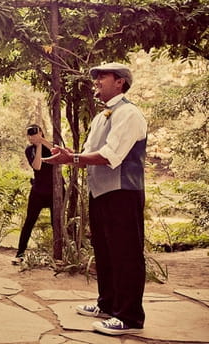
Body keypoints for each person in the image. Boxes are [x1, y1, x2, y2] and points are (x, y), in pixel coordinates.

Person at [43, 62, 147, 336]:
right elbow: (88, 156)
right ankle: (108, 304)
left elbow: (109, 156)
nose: (97, 81)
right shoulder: (102, 117)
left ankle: (130, 317)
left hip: (124, 193)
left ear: (120, 82)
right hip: (101, 193)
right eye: (96, 77)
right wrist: (68, 155)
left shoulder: (129, 114)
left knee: (126, 254)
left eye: (103, 77)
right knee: (105, 250)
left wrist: (73, 158)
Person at [13, 124, 58, 265]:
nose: (32, 137)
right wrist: (38, 146)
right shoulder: (29, 150)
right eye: (30, 135)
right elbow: (37, 166)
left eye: (35, 134)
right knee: (29, 221)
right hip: (38, 190)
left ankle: (58, 255)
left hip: (54, 190)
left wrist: (42, 141)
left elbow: (57, 153)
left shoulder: (50, 145)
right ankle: (20, 253)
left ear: (41, 133)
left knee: (55, 222)